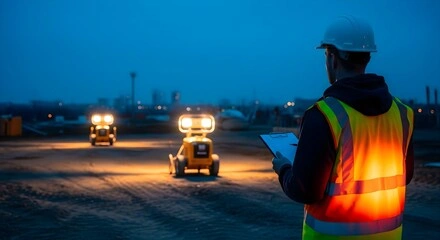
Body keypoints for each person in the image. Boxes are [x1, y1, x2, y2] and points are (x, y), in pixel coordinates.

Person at [272, 15, 414, 240]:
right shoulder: (403, 113)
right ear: (367, 58)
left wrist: (284, 169)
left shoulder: (324, 116)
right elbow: (405, 176)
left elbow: (305, 190)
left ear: (331, 57)